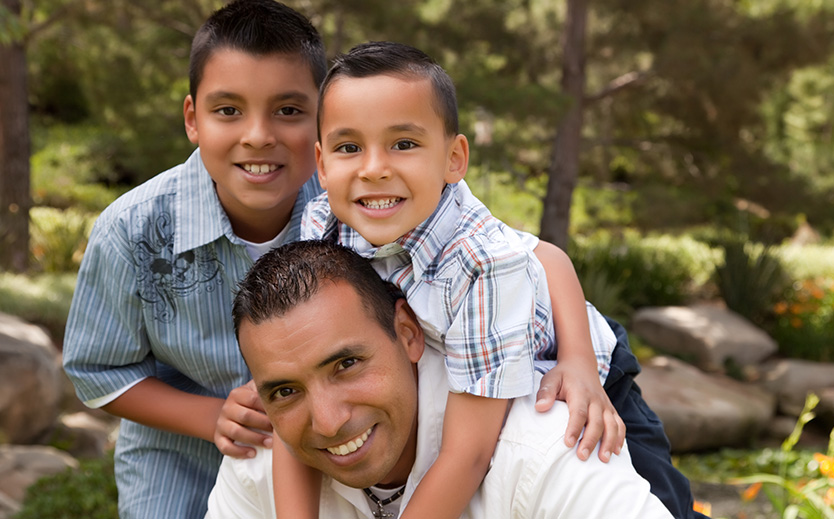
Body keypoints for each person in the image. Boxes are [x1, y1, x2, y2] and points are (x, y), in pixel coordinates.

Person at [293, 41, 705, 519]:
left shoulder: (479, 262)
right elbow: (543, 252)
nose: (374, 168)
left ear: (454, 158)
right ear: (321, 165)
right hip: (481, 353)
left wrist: (576, 362)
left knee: (659, 504)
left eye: (403, 144)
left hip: (591, 373)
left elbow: (469, 454)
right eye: (349, 147)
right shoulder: (323, 223)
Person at [61, 1, 326, 517]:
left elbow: (489, 252)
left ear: (323, 118)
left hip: (322, 454)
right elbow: (97, 371)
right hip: (179, 465)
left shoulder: (351, 213)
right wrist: (210, 416)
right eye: (228, 110)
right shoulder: (131, 230)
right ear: (193, 119)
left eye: (288, 110)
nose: (258, 135)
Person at [207, 239, 674, 518]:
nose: (328, 422)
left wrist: (578, 361)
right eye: (285, 390)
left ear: (409, 334)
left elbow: (543, 255)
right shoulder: (259, 455)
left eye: (346, 364)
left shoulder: (545, 448)